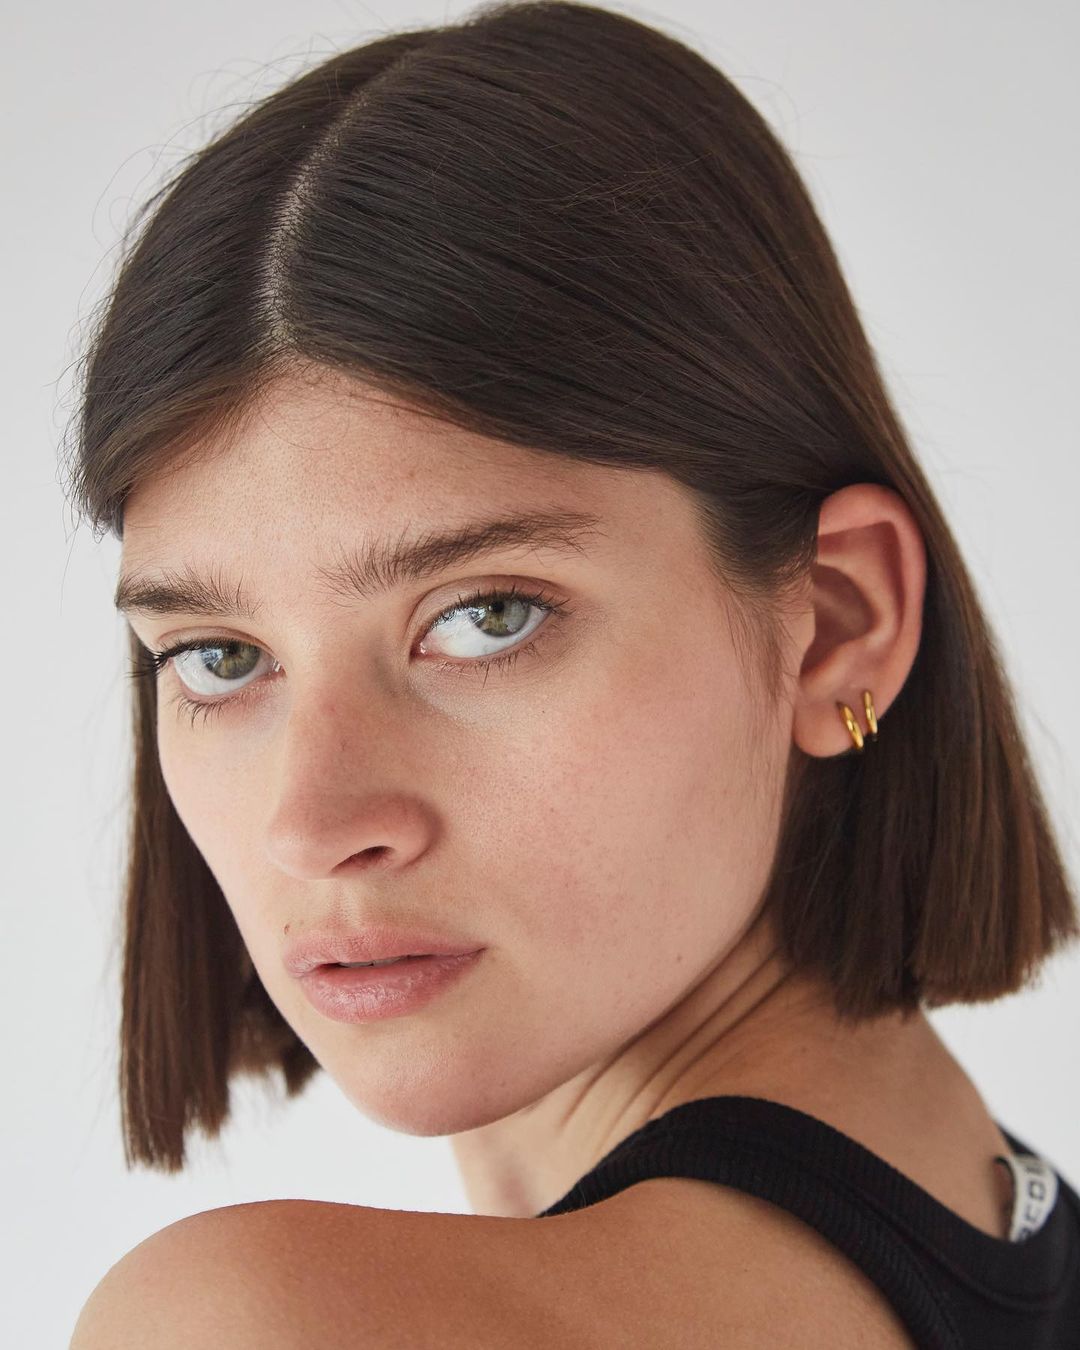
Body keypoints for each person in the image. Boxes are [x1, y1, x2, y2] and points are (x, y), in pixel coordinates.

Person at [64, 2, 1080, 1346]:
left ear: (840, 621)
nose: (312, 823)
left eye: (486, 616)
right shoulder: (1000, 1224)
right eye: (220, 654)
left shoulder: (261, 1322)